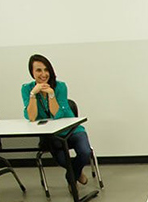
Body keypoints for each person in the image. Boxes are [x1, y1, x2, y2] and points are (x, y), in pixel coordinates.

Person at [21, 54, 94, 186]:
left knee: (85, 152)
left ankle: (72, 175)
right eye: (38, 70)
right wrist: (33, 94)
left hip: (72, 130)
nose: (43, 74)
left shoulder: (60, 87)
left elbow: (57, 114)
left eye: (46, 70)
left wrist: (51, 94)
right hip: (51, 134)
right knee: (62, 159)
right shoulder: (26, 88)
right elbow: (31, 117)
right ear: (32, 72)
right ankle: (75, 175)